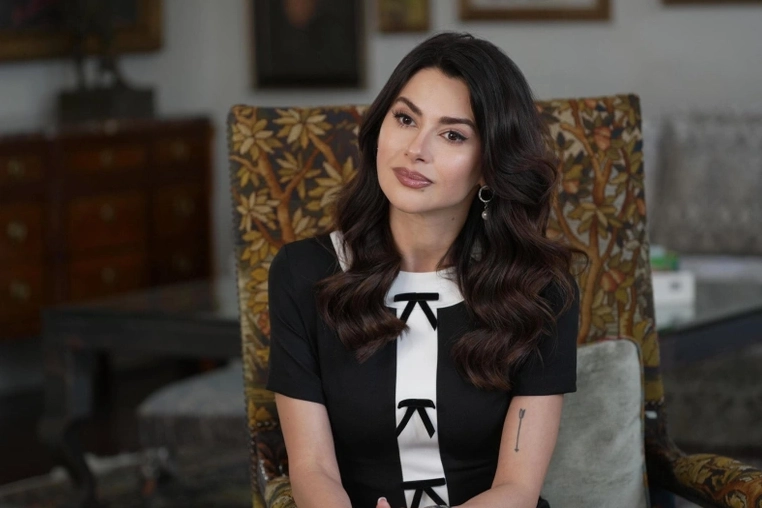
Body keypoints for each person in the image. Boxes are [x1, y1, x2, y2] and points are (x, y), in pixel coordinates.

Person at [266, 32, 581, 508]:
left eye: (452, 134)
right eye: (405, 118)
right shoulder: (303, 273)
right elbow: (312, 469)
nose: (416, 149)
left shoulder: (539, 290)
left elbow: (517, 488)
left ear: (489, 166)